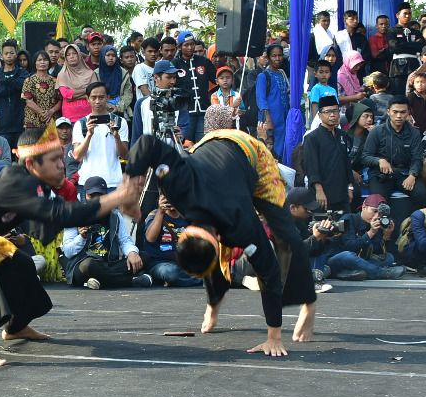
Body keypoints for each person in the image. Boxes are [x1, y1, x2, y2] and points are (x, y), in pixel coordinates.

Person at [0, 125, 140, 369]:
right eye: (54, 160)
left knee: (20, 264)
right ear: (32, 165)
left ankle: (16, 327)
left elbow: (48, 225)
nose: (62, 165)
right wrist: (116, 197)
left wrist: (108, 207)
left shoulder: (37, 188)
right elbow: (58, 215)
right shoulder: (14, 181)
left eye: (61, 158)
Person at [125, 128, 318, 356]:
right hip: (209, 152)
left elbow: (270, 273)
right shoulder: (176, 183)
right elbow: (148, 144)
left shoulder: (242, 225)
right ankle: (214, 301)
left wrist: (274, 336)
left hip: (250, 154)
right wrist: (130, 185)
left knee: (288, 237)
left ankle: (309, 304)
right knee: (203, 257)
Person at [61, 175, 148, 289]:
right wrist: (81, 237)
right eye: (92, 196)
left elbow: (125, 240)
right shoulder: (74, 215)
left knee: (143, 256)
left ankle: (99, 281)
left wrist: (132, 253)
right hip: (82, 264)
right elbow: (68, 251)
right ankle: (131, 282)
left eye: (100, 195)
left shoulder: (115, 215)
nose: (96, 199)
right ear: (85, 195)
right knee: (89, 265)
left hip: (108, 263)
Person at [361, 97, 426, 206]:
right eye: (395, 112)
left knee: (422, 194)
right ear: (388, 112)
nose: (399, 116)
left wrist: (412, 175)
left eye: (403, 112)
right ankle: (381, 223)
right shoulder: (377, 131)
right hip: (380, 175)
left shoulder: (414, 133)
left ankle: (414, 221)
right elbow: (365, 156)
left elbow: (417, 158)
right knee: (378, 202)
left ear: (408, 113)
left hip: (404, 173)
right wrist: (379, 161)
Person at [72, 81, 128, 192]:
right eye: (93, 97)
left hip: (113, 182)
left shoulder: (120, 122)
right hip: (88, 183)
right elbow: (77, 156)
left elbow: (125, 155)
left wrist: (116, 136)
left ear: (108, 97)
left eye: (101, 97)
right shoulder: (81, 124)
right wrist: (88, 135)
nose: (97, 101)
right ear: (87, 98)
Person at [302, 95, 355, 212]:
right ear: (320, 115)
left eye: (335, 111)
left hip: (342, 191)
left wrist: (350, 186)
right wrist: (318, 189)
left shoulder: (342, 135)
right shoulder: (312, 138)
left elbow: (346, 162)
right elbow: (311, 167)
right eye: (328, 112)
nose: (332, 115)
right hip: (323, 193)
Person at [141, 192, 202, 287]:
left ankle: (191, 279)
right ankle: (202, 280)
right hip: (160, 264)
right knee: (170, 272)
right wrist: (161, 212)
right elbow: (150, 238)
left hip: (183, 264)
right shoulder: (154, 214)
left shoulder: (187, 217)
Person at [0, 39, 29, 149]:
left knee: (21, 158)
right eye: (6, 53)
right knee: (4, 159)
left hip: (19, 124)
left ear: (16, 54)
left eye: (12, 53)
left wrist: (4, 82)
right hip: (1, 125)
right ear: (2, 56)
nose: (9, 56)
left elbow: (21, 86)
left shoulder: (22, 72)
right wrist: (13, 84)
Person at [255, 44, 289, 157]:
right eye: (274, 56)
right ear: (268, 58)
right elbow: (261, 99)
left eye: (280, 55)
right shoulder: (263, 76)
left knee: (280, 149)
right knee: (268, 149)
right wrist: (268, 119)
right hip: (270, 118)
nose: (277, 58)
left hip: (282, 118)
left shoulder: (282, 74)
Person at [56, 43, 97, 123]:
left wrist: (74, 96)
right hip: (70, 116)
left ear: (79, 55)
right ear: (65, 58)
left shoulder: (90, 73)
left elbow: (94, 92)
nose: (71, 56)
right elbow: (66, 95)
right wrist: (86, 92)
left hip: (89, 115)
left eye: (74, 53)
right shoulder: (62, 74)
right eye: (68, 55)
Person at [21, 50, 61, 131]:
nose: (42, 62)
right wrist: (43, 113)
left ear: (49, 63)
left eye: (45, 60)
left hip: (51, 120)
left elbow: (60, 100)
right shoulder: (29, 80)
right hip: (33, 121)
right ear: (35, 63)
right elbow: (28, 101)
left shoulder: (55, 81)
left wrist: (51, 111)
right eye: (39, 60)